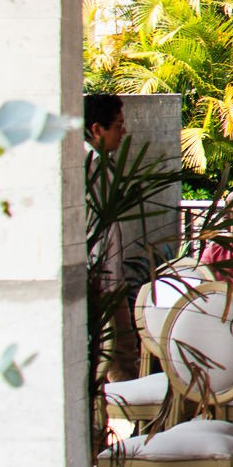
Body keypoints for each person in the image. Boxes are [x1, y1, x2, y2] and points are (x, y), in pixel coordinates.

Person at [84, 92, 137, 378]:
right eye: (117, 125)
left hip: (111, 275)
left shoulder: (102, 164)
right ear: (96, 129)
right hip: (97, 280)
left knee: (124, 355)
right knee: (115, 358)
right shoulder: (83, 165)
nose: (123, 131)